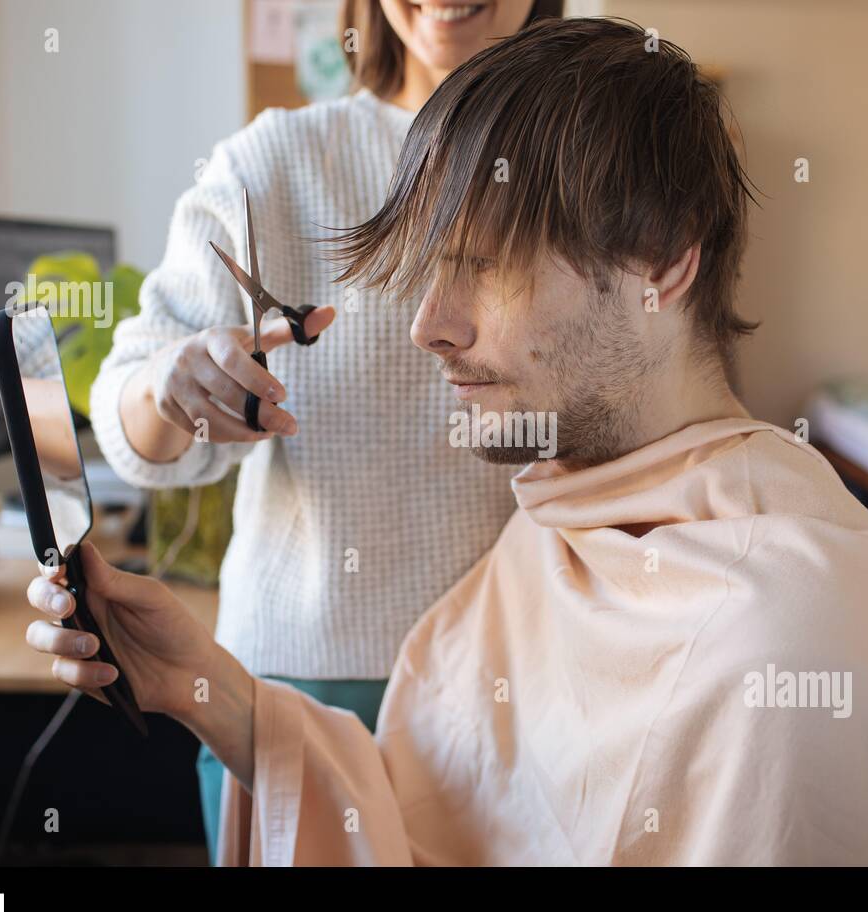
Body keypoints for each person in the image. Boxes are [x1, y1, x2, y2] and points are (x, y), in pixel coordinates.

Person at [31, 17, 868, 865]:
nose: (426, 325)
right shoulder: (564, 520)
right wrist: (199, 679)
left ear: (666, 261)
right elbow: (420, 816)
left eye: (485, 265)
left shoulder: (778, 644)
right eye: (432, 274)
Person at [88, 0, 561, 860]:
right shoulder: (274, 162)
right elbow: (128, 403)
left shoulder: (579, 168)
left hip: (516, 683)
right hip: (288, 680)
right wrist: (170, 388)